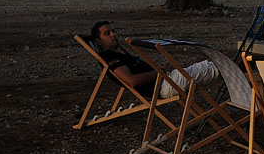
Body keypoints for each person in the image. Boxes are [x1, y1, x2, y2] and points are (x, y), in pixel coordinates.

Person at [89, 20, 218, 98]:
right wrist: (159, 72)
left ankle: (235, 68)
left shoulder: (118, 54)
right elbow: (131, 81)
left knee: (211, 67)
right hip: (164, 87)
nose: (113, 34)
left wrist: (161, 71)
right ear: (98, 41)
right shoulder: (110, 58)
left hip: (166, 81)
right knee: (214, 67)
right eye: (107, 33)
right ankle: (236, 68)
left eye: (113, 31)